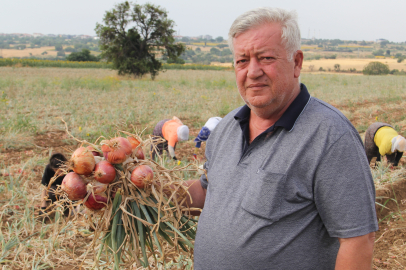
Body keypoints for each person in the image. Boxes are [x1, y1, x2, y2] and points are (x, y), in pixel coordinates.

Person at [183, 7, 378, 269]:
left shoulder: (330, 136)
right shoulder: (226, 127)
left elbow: (358, 240)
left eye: (265, 58)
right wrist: (150, 192)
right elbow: (208, 191)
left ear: (296, 62)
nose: (252, 72)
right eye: (242, 60)